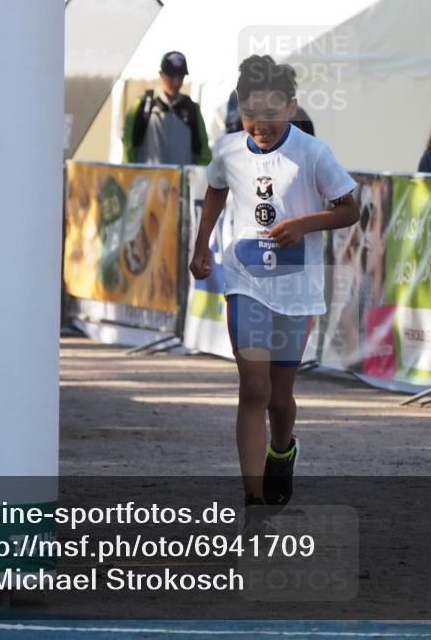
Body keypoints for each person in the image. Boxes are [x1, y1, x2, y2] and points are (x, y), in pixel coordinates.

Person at [189, 55, 359, 519]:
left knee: (280, 399)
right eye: (250, 112)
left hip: (295, 290)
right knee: (254, 390)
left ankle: (282, 451)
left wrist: (304, 224)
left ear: (291, 106)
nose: (260, 123)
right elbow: (217, 189)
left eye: (270, 111)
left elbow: (350, 209)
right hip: (244, 282)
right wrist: (202, 244)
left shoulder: (313, 153)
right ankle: (254, 499)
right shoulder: (227, 150)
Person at [123, 51, 210, 165]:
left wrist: (192, 179)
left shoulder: (192, 109)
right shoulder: (143, 105)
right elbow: (129, 149)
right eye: (171, 76)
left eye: (180, 76)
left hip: (181, 182)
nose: (176, 81)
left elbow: (203, 153)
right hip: (149, 181)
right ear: (161, 74)